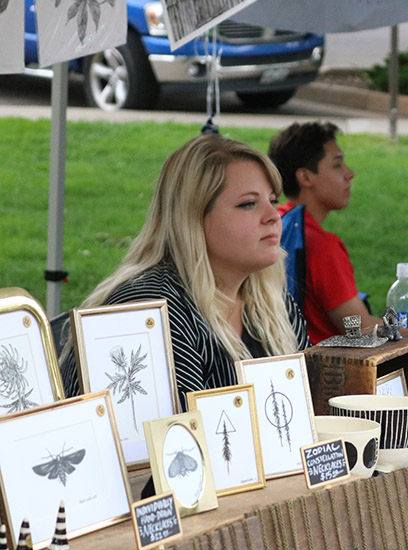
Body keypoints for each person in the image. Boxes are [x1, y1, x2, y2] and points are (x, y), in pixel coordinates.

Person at [61, 134, 310, 409]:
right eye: (248, 204)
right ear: (192, 217)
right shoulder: (150, 311)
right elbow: (177, 442)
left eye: (272, 200)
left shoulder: (269, 300)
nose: (273, 216)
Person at [268, 121, 383, 344]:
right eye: (337, 165)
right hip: (327, 367)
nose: (350, 173)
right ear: (306, 177)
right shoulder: (322, 246)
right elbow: (358, 328)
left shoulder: (280, 222)